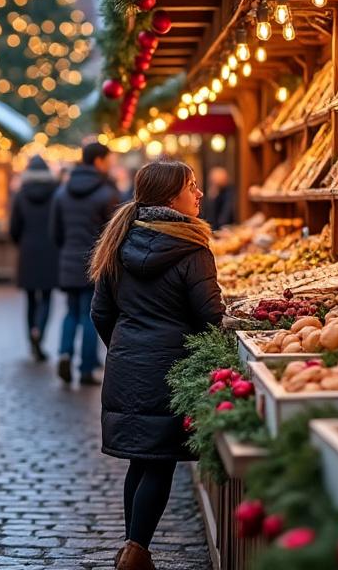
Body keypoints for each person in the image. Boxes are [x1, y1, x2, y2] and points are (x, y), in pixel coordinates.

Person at [88, 161, 223, 570]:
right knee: (159, 462)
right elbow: (210, 318)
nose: (199, 194)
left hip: (128, 365)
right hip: (172, 368)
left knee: (140, 459)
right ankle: (136, 551)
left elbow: (100, 312)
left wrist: (126, 349)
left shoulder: (118, 241)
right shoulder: (193, 249)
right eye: (192, 187)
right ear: (170, 197)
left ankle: (133, 547)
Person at [52, 142, 121, 386]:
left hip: (68, 261)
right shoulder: (106, 193)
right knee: (90, 314)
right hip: (95, 264)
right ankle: (86, 367)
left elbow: (56, 233)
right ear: (99, 161)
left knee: (71, 312)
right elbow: (114, 234)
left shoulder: (62, 192)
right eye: (109, 159)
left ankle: (64, 352)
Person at [8, 154, 59, 362]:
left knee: (30, 299)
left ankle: (32, 335)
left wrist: (21, 242)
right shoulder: (56, 193)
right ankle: (40, 333)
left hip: (28, 251)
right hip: (50, 250)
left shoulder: (20, 195)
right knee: (47, 297)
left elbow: (13, 228)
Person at [201, 166, 237, 230]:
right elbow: (205, 216)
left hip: (225, 230)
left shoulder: (229, 193)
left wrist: (212, 199)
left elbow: (224, 218)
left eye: (215, 178)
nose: (212, 180)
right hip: (212, 230)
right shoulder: (212, 193)